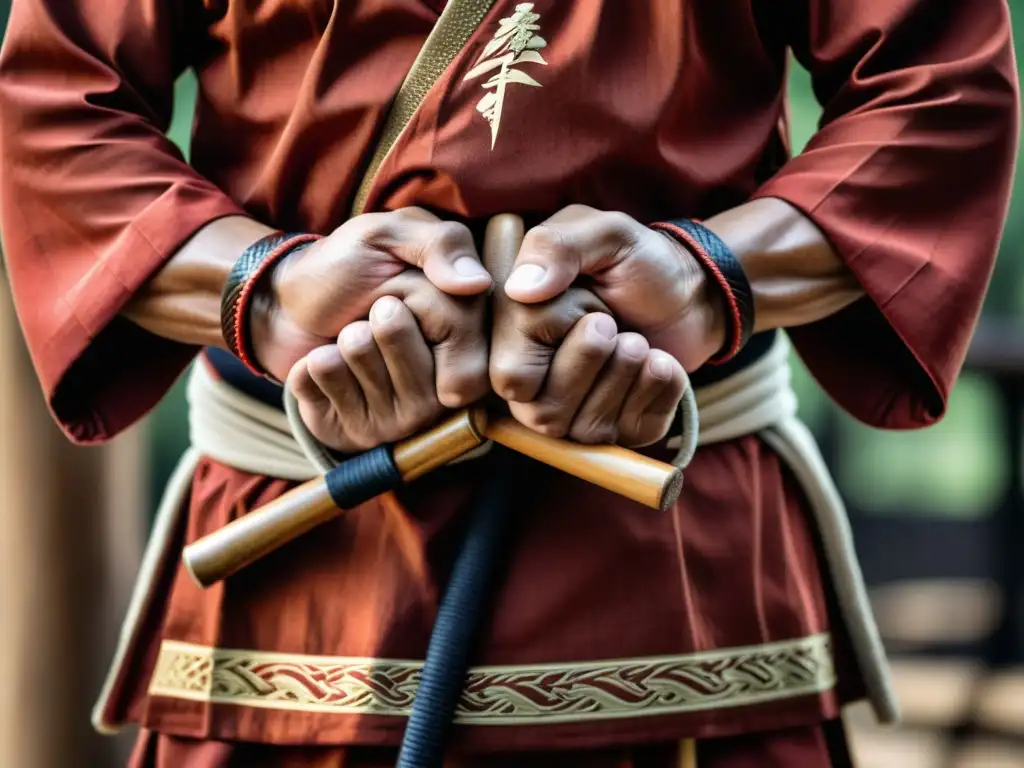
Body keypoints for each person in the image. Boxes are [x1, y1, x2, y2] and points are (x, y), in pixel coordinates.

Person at [0, 0, 1018, 765]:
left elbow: (938, 86)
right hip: (300, 597)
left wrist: (712, 280)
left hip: (679, 579)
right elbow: (54, 104)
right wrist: (265, 297)